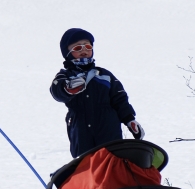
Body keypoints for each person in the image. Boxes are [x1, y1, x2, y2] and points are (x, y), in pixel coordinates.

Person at [50, 28, 144, 158]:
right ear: (68, 53)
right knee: (85, 161)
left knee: (111, 159)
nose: (84, 50)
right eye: (77, 48)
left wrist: (129, 119)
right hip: (81, 127)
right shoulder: (65, 76)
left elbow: (119, 99)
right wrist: (67, 89)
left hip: (108, 126)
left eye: (87, 46)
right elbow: (56, 91)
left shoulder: (104, 75)